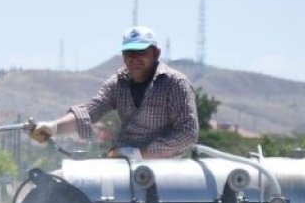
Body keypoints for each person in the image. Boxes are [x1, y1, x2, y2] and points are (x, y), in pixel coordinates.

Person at [29, 25, 198, 159]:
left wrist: (141, 154)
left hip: (169, 170)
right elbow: (91, 110)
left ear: (156, 53)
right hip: (122, 164)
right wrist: (54, 127)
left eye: (141, 52)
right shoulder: (118, 82)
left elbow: (188, 133)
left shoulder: (175, 83)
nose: (134, 58)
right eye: (128, 53)